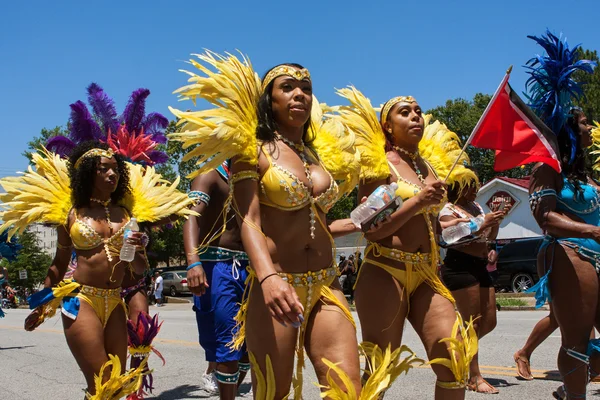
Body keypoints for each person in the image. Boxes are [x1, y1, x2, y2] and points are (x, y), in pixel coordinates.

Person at [169, 51, 400, 399]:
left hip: (327, 284)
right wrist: (269, 278)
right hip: (277, 286)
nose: (299, 94)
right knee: (272, 393)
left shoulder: (316, 155)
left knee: (348, 391)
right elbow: (250, 218)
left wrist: (358, 221)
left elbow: (318, 222)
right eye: (288, 87)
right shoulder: (251, 149)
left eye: (306, 88)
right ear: (269, 99)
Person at [0, 141, 195, 398]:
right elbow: (59, 263)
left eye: (115, 169)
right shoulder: (71, 215)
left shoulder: (126, 215)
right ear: (88, 174)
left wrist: (138, 248)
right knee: (102, 384)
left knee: (114, 383)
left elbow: (139, 269)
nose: (111, 174)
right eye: (104, 169)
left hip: (115, 302)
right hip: (81, 300)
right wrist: (43, 304)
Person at [332, 86, 478, 399]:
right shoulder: (379, 165)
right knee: (380, 371)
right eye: (405, 112)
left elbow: (431, 222)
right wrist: (419, 201)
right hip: (385, 272)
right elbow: (370, 229)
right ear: (387, 125)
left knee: (454, 360)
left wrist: (458, 226)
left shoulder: (429, 167)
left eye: (418, 111)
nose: (415, 116)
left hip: (427, 275)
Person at [525, 31, 598, 399]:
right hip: (571, 254)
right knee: (578, 337)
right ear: (569, 129)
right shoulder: (546, 169)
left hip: (596, 253)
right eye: (584, 123)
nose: (589, 128)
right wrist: (593, 232)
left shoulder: (586, 173)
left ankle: (570, 390)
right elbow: (546, 218)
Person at [184, 160, 251, 399]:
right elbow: (191, 216)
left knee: (249, 349)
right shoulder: (209, 174)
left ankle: (228, 388)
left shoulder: (253, 176)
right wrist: (194, 262)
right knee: (228, 347)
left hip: (251, 267)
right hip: (218, 268)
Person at [439, 181, 505, 393]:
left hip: (480, 264)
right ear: (458, 187)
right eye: (469, 185)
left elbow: (489, 236)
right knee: (472, 323)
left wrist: (494, 222)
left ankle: (459, 349)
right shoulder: (447, 208)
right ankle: (474, 376)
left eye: (476, 185)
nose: (475, 189)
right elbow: (449, 234)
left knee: (490, 320)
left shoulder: (476, 207)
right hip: (459, 265)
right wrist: (483, 222)